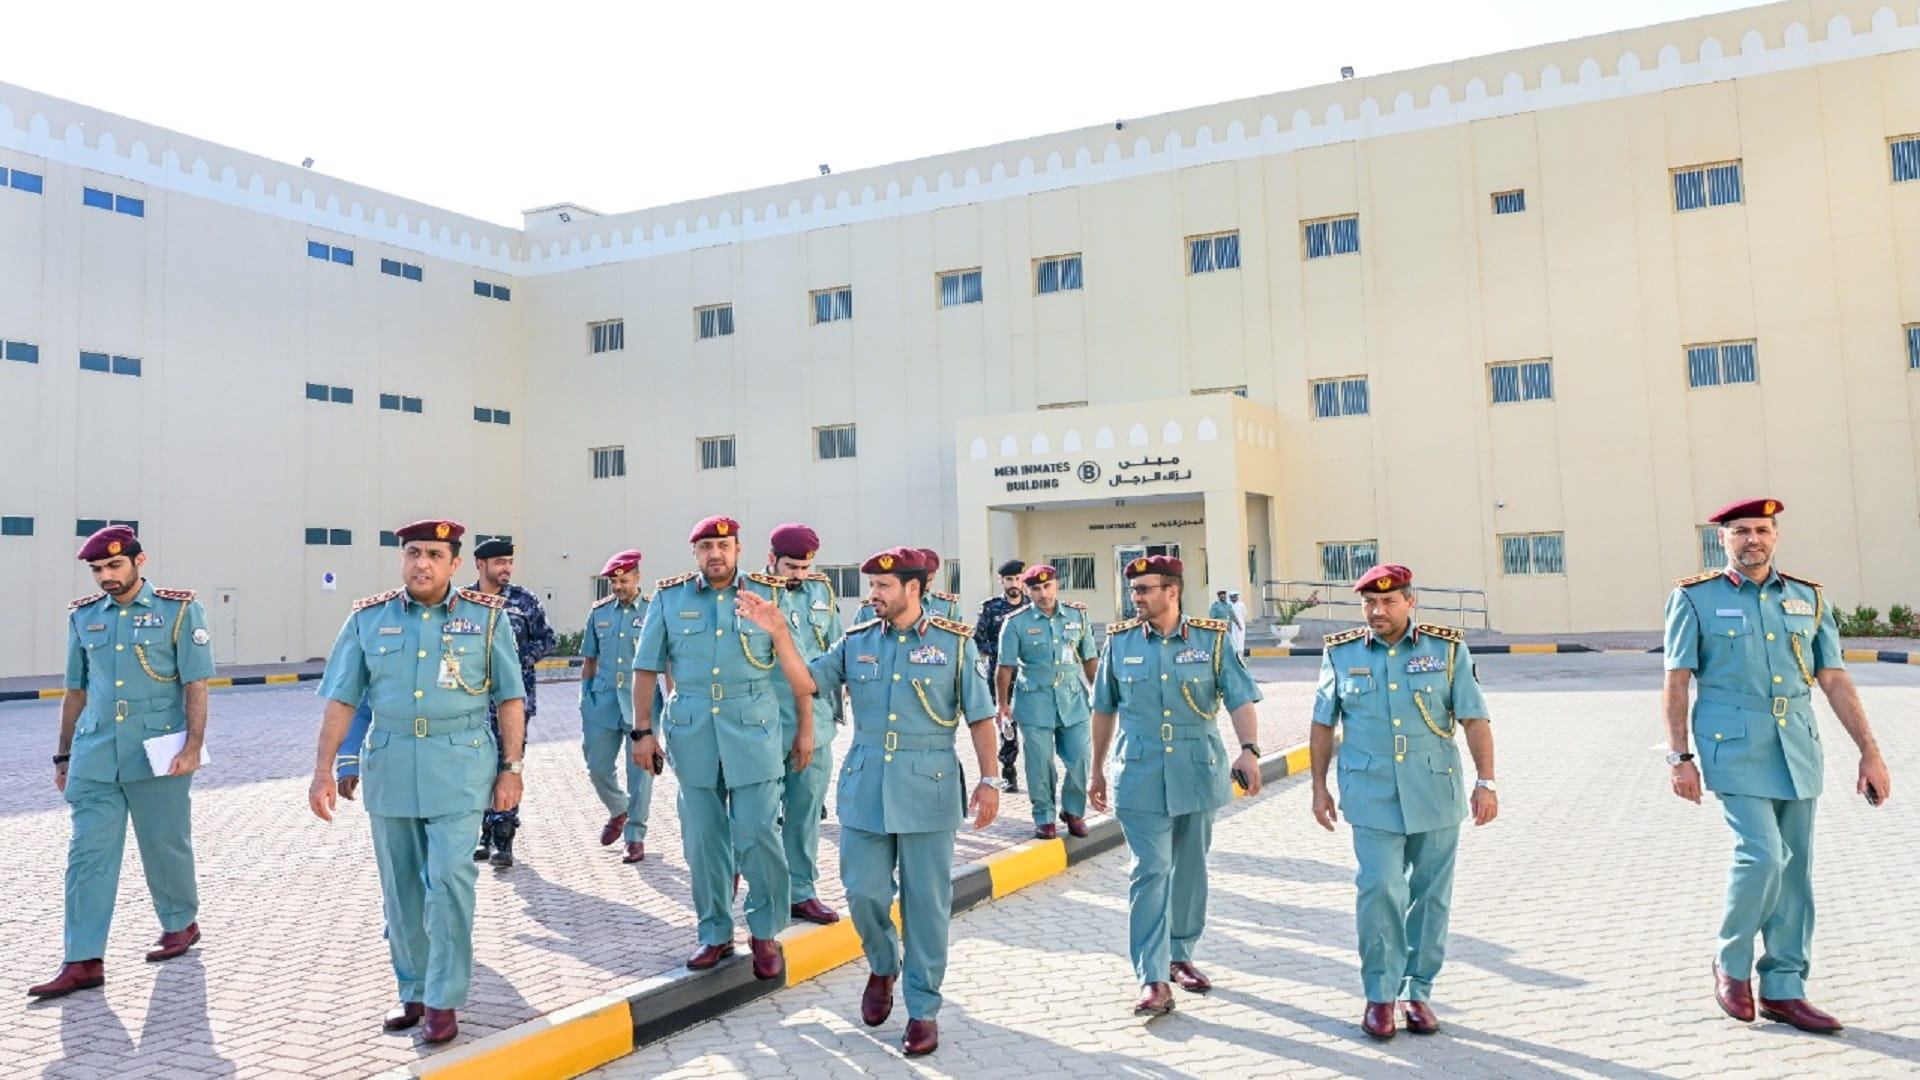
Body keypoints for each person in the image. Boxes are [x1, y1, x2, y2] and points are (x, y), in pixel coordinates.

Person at [740, 546, 1000, 1057]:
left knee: (926, 906)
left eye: (883, 587)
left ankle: (923, 1009)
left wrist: (990, 779)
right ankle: (883, 964)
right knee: (862, 892)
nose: (872, 595)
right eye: (871, 586)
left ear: (913, 589)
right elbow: (808, 682)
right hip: (866, 786)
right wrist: (779, 634)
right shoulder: (856, 641)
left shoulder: (954, 644)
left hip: (929, 785)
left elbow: (980, 716)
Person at [1664, 498, 1891, 1034]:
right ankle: (1731, 963)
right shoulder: (1694, 597)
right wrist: (1679, 758)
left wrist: (1870, 750)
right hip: (1733, 743)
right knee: (1763, 856)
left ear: (1775, 536)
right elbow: (1676, 682)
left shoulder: (1807, 597)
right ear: (1721, 539)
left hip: (1797, 746)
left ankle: (1785, 987)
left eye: (1762, 530)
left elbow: (1833, 678)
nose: (1752, 540)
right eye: (1740, 531)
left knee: (1795, 872)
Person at [307, 519, 526, 1045]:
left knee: (450, 879)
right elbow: (342, 698)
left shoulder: (488, 620)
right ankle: (415, 991)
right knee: (401, 888)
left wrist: (511, 769)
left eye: (433, 554)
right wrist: (324, 769)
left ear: (455, 565)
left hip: (460, 765)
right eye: (412, 553)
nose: (421, 563)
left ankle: (444, 999)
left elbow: (510, 698)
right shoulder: (367, 618)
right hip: (392, 763)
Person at [1309, 563, 1497, 1040]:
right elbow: (1322, 723)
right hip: (1370, 794)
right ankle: (1379, 994)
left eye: (1388, 602)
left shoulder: (1446, 649)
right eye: (1370, 603)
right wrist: (1318, 788)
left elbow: (1474, 718)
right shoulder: (1341, 653)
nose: (1378, 611)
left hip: (1434, 790)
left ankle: (1418, 992)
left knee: (1430, 897)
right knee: (1379, 890)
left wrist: (1487, 782)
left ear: (1410, 602)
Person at [30, 526, 214, 1000]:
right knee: (87, 854)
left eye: (114, 566)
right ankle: (83, 959)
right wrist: (64, 754)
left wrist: (193, 746)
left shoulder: (179, 611)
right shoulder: (84, 617)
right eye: (97, 570)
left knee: (165, 845)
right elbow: (75, 690)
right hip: (95, 751)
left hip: (157, 749)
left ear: (139, 561)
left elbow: (196, 684)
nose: (105, 577)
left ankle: (180, 923)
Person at [629, 516, 815, 980]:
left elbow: (797, 672)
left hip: (752, 731)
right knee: (704, 842)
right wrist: (641, 732)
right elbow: (646, 669)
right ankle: (713, 933)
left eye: (724, 545)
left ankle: (765, 932)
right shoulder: (670, 599)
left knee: (757, 834)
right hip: (692, 734)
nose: (716, 554)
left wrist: (806, 728)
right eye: (707, 546)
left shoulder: (767, 595)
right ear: (695, 553)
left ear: (739, 549)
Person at [1089, 555, 1262, 1017]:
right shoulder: (1120, 643)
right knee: (1150, 869)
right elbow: (1103, 708)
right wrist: (1096, 769)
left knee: (1189, 869)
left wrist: (1249, 749)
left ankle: (1181, 953)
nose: (1136, 598)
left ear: (1172, 591)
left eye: (1145, 589)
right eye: (1134, 590)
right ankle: (1152, 977)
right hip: (1140, 772)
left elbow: (1240, 697)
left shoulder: (1211, 639)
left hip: (1196, 769)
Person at [766, 523, 846, 925]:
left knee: (806, 809)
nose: (797, 575)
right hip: (764, 721)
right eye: (790, 566)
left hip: (815, 720)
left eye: (804, 567)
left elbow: (836, 650)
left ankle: (801, 890)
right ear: (771, 560)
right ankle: (755, 886)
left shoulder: (821, 593)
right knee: (755, 813)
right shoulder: (752, 595)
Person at [468, 537, 555, 868]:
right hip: (473, 703)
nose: (506, 568)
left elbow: (547, 639)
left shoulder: (523, 600)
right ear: (481, 565)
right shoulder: (465, 602)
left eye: (509, 562)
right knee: (479, 769)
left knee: (509, 765)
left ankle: (504, 836)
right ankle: (484, 833)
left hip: (514, 703)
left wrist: (519, 661)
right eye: (499, 563)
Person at [994, 564, 1098, 839]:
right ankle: (1044, 815)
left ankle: (1073, 811)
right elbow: (1004, 667)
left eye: (1047, 586)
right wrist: (1002, 705)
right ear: (1028, 591)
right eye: (1036, 589)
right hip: (1034, 702)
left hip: (1073, 700)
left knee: (1080, 759)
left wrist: (1099, 695)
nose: (1043, 593)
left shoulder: (1078, 616)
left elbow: (1089, 658)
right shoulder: (1016, 622)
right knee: (1040, 764)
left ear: (1057, 585)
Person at [580, 550, 659, 863]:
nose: (618, 587)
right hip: (603, 701)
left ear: (638, 578)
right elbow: (589, 659)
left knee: (641, 772)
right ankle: (619, 809)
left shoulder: (654, 611)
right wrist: (585, 698)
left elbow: (666, 661)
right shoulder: (599, 613)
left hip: (642, 702)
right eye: (614, 582)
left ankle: (635, 836)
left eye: (624, 580)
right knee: (597, 767)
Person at [974, 560, 1029, 791]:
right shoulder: (991, 607)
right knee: (1007, 723)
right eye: (1009, 579)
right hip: (1000, 675)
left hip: (1028, 674)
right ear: (1001, 581)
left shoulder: (1032, 606)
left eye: (1017, 579)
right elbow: (979, 639)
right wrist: (1002, 653)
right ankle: (1008, 768)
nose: (1014, 584)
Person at [1229, 590, 1249, 657]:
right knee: (1233, 638)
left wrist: (1240, 621)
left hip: (1240, 623)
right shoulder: (1229, 604)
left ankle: (1240, 654)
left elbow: (1245, 614)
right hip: (1232, 624)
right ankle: (1234, 654)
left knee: (1240, 638)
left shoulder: (1241, 604)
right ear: (1230, 597)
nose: (1234, 598)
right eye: (1233, 597)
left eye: (1235, 596)